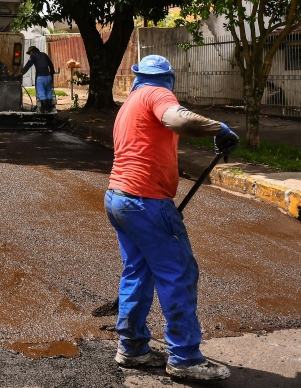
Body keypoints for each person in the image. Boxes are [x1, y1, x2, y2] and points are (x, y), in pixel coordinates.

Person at [106, 55, 239, 381]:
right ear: (168, 78)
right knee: (179, 272)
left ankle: (132, 347)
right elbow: (178, 119)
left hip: (118, 198)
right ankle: (185, 357)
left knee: (139, 271)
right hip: (145, 201)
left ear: (138, 75)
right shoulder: (156, 94)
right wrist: (218, 128)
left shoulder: (131, 101)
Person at [21, 46, 56, 113]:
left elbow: (28, 66)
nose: (30, 55)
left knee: (41, 93)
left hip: (40, 77)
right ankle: (49, 109)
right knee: (48, 92)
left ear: (31, 51)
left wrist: (21, 73)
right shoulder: (44, 54)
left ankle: (44, 110)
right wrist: (52, 73)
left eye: (29, 53)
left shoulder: (33, 56)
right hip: (48, 77)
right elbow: (51, 64)